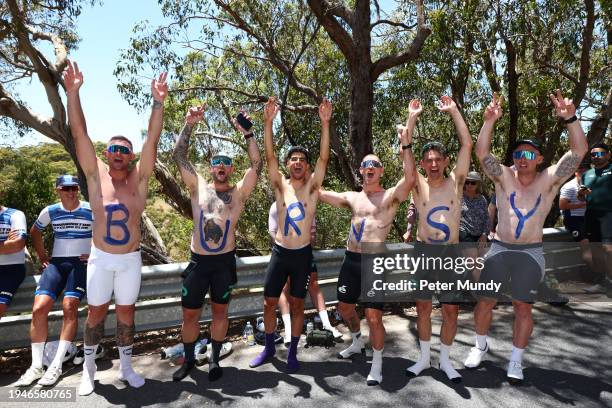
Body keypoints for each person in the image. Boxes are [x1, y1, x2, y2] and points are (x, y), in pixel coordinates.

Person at [464, 90, 587, 384]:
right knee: (485, 302)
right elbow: (481, 153)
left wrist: (570, 118)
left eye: (529, 154)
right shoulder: (504, 176)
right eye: (518, 153)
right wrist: (489, 121)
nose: (522, 158)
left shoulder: (550, 179)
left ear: (540, 159)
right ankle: (480, 346)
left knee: (522, 306)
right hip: (499, 249)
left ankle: (516, 360)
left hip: (530, 253)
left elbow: (579, 152)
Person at [63, 60, 168, 395]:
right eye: (114, 148)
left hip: (129, 260)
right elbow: (78, 132)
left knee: (126, 313)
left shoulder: (140, 180)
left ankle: (125, 366)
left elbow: (153, 138)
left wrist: (157, 102)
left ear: (131, 156)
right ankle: (89, 369)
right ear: (106, 154)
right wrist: (72, 93)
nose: (119, 153)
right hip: (101, 258)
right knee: (95, 313)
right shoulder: (95, 177)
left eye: (125, 149)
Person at [319, 99, 417, 386]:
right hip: (351, 260)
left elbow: (410, 178)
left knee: (374, 316)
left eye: (374, 165)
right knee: (345, 309)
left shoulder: (389, 198)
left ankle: (377, 363)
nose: (369, 168)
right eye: (365, 165)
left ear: (381, 171)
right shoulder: (353, 197)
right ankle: (357, 340)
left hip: (375, 261)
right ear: (360, 171)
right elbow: (320, 192)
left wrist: (406, 143)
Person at [171, 105, 261, 381]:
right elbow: (178, 156)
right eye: (216, 162)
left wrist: (248, 134)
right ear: (210, 168)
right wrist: (189, 124)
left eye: (226, 162)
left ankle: (214, 359)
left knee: (221, 314)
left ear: (231, 168)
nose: (221, 166)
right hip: (198, 262)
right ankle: (188, 361)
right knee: (190, 317)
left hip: (223, 263)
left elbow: (257, 164)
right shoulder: (198, 186)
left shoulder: (239, 193)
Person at [249, 97, 331, 373]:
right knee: (269, 301)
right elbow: (269, 157)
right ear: (287, 164)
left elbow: (324, 157)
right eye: (293, 159)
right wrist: (268, 123)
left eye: (302, 160)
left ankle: (293, 352)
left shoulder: (312, 187)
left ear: (307, 167)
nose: (298, 163)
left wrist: (325, 123)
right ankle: (270, 347)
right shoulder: (280, 187)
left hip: (303, 255)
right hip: (281, 253)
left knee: (297, 304)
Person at [403, 96, 473, 384]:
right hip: (423, 253)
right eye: (428, 160)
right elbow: (405, 152)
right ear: (423, 163)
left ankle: (444, 360)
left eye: (438, 159)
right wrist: (411, 118)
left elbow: (467, 145)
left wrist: (455, 111)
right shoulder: (416, 184)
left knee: (451, 310)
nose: (433, 164)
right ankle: (423, 359)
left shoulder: (456, 182)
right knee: (422, 307)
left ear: (445, 161)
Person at [15, 175, 93, 387]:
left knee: (70, 306)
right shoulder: (50, 210)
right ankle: (36, 366)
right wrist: (42, 257)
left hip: (80, 264)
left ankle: (57, 364)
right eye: (65, 188)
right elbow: (35, 231)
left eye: (74, 188)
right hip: (57, 264)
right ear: (58, 190)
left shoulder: (90, 208)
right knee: (39, 309)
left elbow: (105, 232)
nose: (71, 192)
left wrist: (94, 252)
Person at [268, 201, 342, 345]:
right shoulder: (275, 206)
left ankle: (327, 325)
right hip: (282, 253)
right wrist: (285, 247)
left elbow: (312, 234)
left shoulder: (308, 205)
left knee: (313, 285)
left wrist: (301, 248)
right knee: (283, 289)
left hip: (304, 253)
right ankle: (288, 332)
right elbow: (272, 231)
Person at [579, 143, 612, 297]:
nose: (595, 157)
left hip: (609, 214)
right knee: (596, 250)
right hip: (591, 214)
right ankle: (601, 283)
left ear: (608, 155)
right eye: (593, 154)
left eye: (599, 154)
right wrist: (582, 193)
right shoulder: (587, 174)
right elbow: (581, 197)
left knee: (608, 249)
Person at [559, 162, 594, 285]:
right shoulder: (569, 187)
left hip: (588, 218)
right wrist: (583, 204)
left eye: (586, 171)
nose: (583, 173)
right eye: (580, 171)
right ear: (576, 172)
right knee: (586, 248)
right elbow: (562, 205)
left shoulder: (591, 185)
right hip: (574, 219)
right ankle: (600, 277)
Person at [460, 171, 489, 282]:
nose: (469, 185)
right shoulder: (458, 197)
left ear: (478, 184)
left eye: (472, 183)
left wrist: (484, 234)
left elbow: (487, 219)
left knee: (486, 259)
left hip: (480, 234)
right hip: (464, 232)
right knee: (473, 260)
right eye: (467, 182)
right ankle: (481, 292)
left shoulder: (482, 199)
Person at [0, 204, 27, 319]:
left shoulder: (15, 214)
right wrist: (5, 244)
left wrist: (12, 244)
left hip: (11, 270)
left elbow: (18, 244)